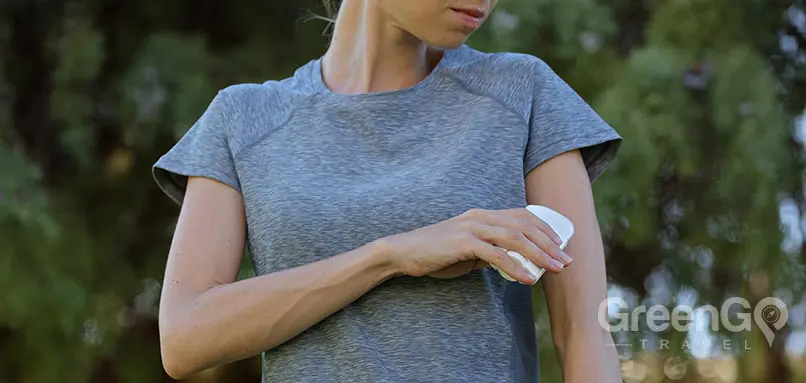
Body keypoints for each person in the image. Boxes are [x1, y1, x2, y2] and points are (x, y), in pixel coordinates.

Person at [151, 0, 623, 382]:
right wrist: (391, 256)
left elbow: (584, 332)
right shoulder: (242, 119)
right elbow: (185, 338)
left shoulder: (523, 92)